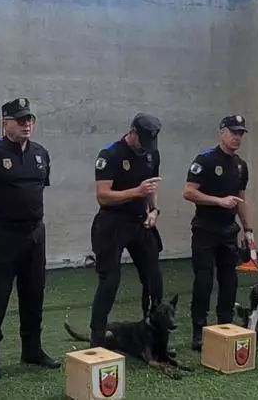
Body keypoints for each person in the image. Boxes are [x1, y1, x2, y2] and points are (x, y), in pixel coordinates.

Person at [0, 97, 60, 381]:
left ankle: (32, 349)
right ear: (5, 122)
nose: (27, 124)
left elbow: (38, 189)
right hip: (2, 235)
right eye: (20, 120)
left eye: (30, 119)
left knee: (34, 294)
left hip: (34, 234)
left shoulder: (41, 153)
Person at [87, 112, 165, 346]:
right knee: (110, 280)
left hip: (140, 221)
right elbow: (103, 196)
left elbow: (151, 187)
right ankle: (97, 337)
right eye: (143, 141)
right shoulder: (110, 154)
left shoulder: (152, 153)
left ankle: (154, 331)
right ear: (132, 133)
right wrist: (135, 192)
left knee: (154, 279)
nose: (146, 148)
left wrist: (154, 210)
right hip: (112, 223)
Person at [183, 114, 253, 351]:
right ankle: (198, 332)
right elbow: (189, 192)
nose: (237, 138)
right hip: (205, 230)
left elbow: (241, 200)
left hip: (228, 232)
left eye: (240, 134)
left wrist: (249, 230)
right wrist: (217, 201)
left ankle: (225, 326)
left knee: (229, 280)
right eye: (233, 132)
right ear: (222, 132)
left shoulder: (241, 166)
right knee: (203, 281)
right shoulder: (205, 160)